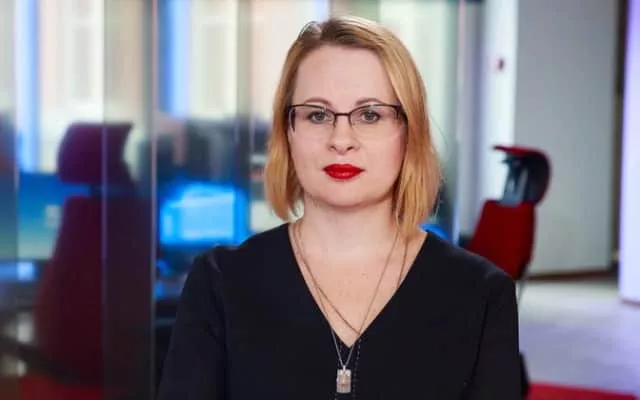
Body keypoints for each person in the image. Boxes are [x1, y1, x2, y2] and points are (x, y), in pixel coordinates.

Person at [157, 15, 521, 400]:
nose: (341, 139)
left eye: (370, 115)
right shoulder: (220, 283)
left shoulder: (480, 294)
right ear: (288, 132)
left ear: (409, 132)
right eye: (318, 115)